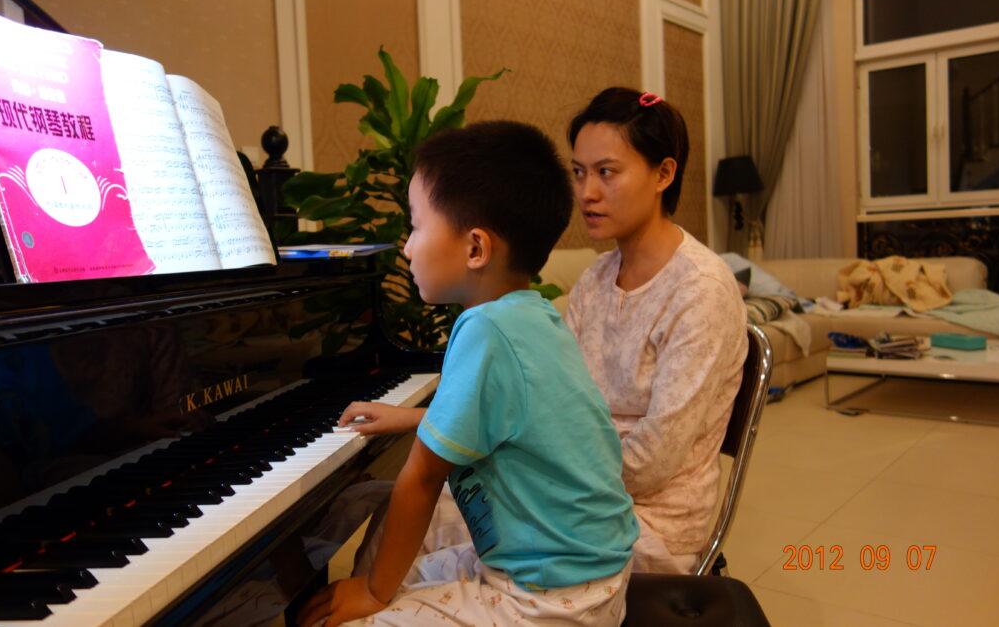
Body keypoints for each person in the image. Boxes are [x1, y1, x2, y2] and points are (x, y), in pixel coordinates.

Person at [296, 120, 639, 627]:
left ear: (476, 248)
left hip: (547, 599)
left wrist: (373, 592)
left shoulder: (485, 330)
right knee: (405, 574)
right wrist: (412, 418)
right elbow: (516, 421)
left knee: (353, 615)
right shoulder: (533, 315)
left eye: (415, 226)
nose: (407, 247)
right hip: (590, 576)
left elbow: (421, 477)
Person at [564, 87, 748, 574]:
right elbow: (552, 398)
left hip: (652, 518)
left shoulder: (700, 290)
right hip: (583, 489)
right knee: (439, 508)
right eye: (579, 173)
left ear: (664, 173)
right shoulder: (594, 280)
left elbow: (651, 463)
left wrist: (548, 474)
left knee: (462, 537)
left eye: (607, 172)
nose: (588, 193)